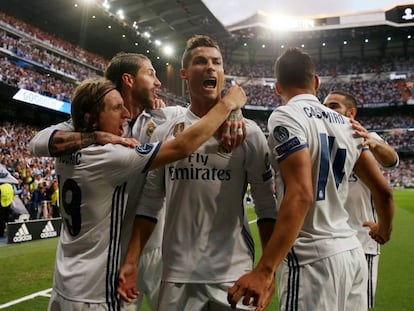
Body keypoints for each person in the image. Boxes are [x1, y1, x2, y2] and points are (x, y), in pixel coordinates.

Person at [30, 52, 245, 310]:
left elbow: (203, 119)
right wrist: (99, 137)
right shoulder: (88, 127)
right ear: (129, 80)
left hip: (153, 243)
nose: (158, 83)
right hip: (111, 255)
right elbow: (36, 143)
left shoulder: (167, 116)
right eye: (151, 74)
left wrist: (234, 111)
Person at [227, 47, 395, 311]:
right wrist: (383, 230)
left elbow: (302, 193)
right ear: (316, 82)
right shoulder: (345, 123)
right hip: (352, 254)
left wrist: (265, 269)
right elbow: (383, 191)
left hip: (312, 258)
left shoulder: (286, 116)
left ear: (277, 87)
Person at [117, 34, 276, 311]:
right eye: (201, 62)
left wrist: (267, 270)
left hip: (233, 273)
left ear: (224, 73)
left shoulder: (248, 133)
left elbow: (265, 207)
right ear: (184, 73)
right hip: (177, 274)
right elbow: (150, 203)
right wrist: (132, 259)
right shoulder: (167, 132)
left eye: (217, 62)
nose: (210, 67)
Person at [324, 90, 399, 309]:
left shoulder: (368, 138)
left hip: (362, 241)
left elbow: (392, 159)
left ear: (352, 113)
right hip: (328, 242)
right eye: (325, 105)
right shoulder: (318, 139)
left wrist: (374, 145)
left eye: (334, 105)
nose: (328, 110)